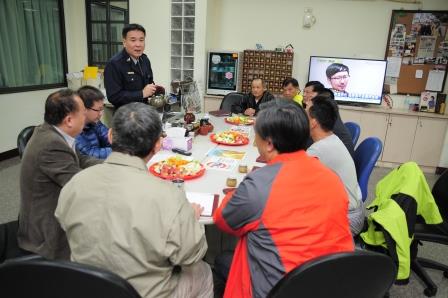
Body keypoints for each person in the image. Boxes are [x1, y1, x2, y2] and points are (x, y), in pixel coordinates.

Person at [55, 103, 212, 298]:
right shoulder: (168, 195)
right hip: (144, 293)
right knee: (203, 271)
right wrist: (191, 219)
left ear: (111, 135)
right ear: (157, 144)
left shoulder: (75, 183)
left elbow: (63, 222)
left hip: (86, 288)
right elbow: (191, 255)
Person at [213, 100, 354, 298]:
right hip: (332, 283)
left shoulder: (260, 185)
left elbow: (224, 220)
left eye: (257, 137)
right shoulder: (331, 177)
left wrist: (236, 193)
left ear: (269, 144)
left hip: (280, 288)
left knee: (220, 259)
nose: (255, 143)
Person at [17, 89, 101, 260]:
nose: (86, 118)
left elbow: (82, 160)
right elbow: (81, 186)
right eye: (83, 114)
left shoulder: (55, 132)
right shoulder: (50, 144)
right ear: (69, 120)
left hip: (52, 210)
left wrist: (115, 165)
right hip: (45, 233)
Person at [306, 95, 365, 235]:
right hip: (353, 209)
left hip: (348, 219)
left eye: (305, 112)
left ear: (313, 122)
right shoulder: (332, 138)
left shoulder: (318, 150)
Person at [104, 23, 156, 108]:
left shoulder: (145, 60)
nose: (138, 44)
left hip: (143, 112)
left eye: (141, 40)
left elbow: (149, 82)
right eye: (133, 40)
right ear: (124, 42)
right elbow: (114, 97)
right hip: (126, 116)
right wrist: (141, 94)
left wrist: (154, 90)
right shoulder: (114, 64)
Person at [75, 86, 112, 159]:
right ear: (84, 109)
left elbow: (109, 138)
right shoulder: (74, 128)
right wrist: (119, 152)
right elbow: (88, 154)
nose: (101, 113)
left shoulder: (95, 122)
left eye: (102, 109)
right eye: (98, 110)